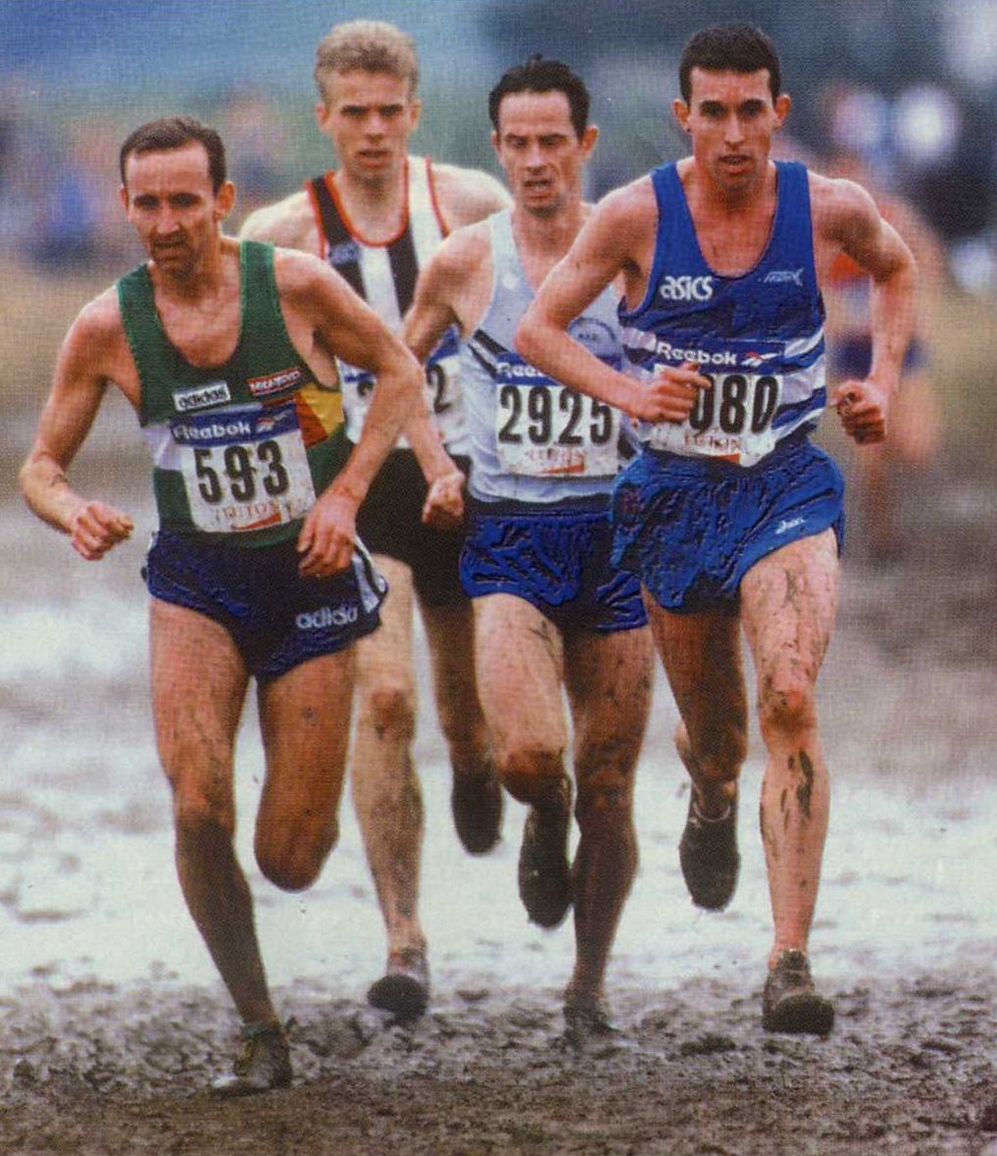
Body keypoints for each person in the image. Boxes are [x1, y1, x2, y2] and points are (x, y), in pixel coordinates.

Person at [517, 24, 917, 1035]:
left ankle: (787, 958)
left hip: (783, 482)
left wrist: (872, 380)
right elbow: (539, 330)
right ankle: (709, 798)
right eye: (713, 112)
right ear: (683, 116)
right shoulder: (631, 216)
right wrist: (628, 392)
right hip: (671, 495)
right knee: (714, 734)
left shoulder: (828, 208)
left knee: (788, 691)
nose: (733, 132)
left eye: (751, 111)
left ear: (777, 116)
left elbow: (897, 269)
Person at [19, 117, 424, 1093]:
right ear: (125, 207)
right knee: (197, 799)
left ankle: (305, 882)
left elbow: (402, 372)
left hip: (310, 583)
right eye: (147, 203)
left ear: (222, 201)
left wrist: (344, 493)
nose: (165, 222)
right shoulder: (107, 327)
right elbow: (39, 465)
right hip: (195, 582)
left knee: (288, 854)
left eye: (183, 202)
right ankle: (257, 1028)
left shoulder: (290, 287)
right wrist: (71, 509)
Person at [240, 20, 511, 1020]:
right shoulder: (281, 234)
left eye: (388, 112)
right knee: (386, 698)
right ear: (323, 118)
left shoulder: (470, 207)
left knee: (466, 713)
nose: (370, 131)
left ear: (414, 112)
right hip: (364, 490)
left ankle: (478, 764)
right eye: (351, 113)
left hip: (471, 486)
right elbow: (239, 351)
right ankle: (405, 940)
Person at [404, 57, 655, 1045]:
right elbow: (393, 363)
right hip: (508, 535)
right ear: (498, 148)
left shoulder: (634, 254)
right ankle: (537, 814)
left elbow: (707, 351)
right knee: (528, 756)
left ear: (584, 146)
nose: (539, 159)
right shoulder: (467, 260)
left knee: (612, 781)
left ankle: (587, 990)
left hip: (619, 537)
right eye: (520, 142)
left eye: (557, 141)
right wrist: (436, 462)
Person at [822, 149, 943, 562]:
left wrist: (918, 310)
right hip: (854, 354)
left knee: (915, 449)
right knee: (868, 453)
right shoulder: (824, 237)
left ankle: (896, 475)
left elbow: (927, 257)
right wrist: (832, 320)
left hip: (899, 347)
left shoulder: (894, 218)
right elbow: (813, 293)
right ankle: (884, 534)